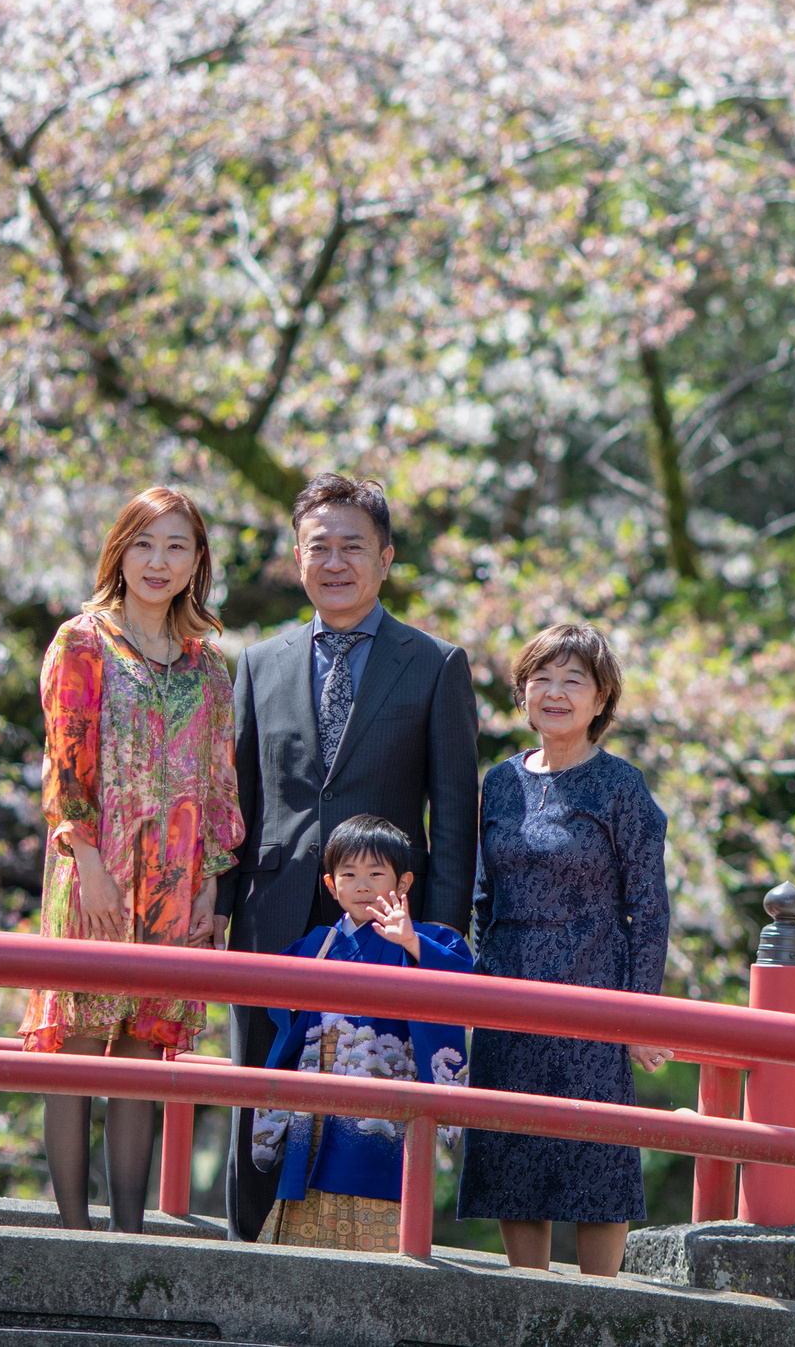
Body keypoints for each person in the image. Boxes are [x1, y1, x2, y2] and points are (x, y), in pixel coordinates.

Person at [219, 472, 479, 1242]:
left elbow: (455, 816)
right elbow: (239, 800)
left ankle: (373, 1263)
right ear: (297, 558)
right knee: (260, 1089)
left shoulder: (434, 663)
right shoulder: (260, 662)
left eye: (353, 547)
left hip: (385, 921)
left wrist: (436, 944)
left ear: (387, 557)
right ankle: (246, 1251)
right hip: (273, 912)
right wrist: (219, 907)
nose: (335, 562)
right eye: (318, 546)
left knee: (376, 1103)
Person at [19, 485, 243, 1233]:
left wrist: (211, 884)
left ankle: (129, 1235)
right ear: (120, 549)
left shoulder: (209, 668)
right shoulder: (81, 642)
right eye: (144, 542)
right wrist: (86, 860)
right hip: (95, 866)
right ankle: (76, 1234)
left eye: (176, 546)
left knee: (143, 1053)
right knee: (80, 1043)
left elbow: (218, 785)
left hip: (177, 880)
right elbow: (65, 763)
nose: (158, 560)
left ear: (196, 562)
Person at [457, 622, 672, 1277]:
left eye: (572, 679)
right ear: (521, 693)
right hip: (508, 996)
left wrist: (641, 1011)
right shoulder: (498, 782)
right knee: (514, 1155)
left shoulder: (620, 786)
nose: (554, 691)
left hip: (593, 997)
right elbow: (478, 898)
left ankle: (599, 1308)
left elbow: (650, 906)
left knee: (596, 1160)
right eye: (539, 678)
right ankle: (529, 1302)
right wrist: (469, 985)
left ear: (601, 698)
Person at [250, 814, 473, 1252]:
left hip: (384, 1094)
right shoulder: (319, 943)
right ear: (332, 886)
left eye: (376, 873)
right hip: (320, 1085)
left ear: (403, 882)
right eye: (349, 875)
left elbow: (466, 982)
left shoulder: (428, 938)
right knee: (310, 1180)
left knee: (376, 1175)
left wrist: (411, 943)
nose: (362, 885)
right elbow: (272, 988)